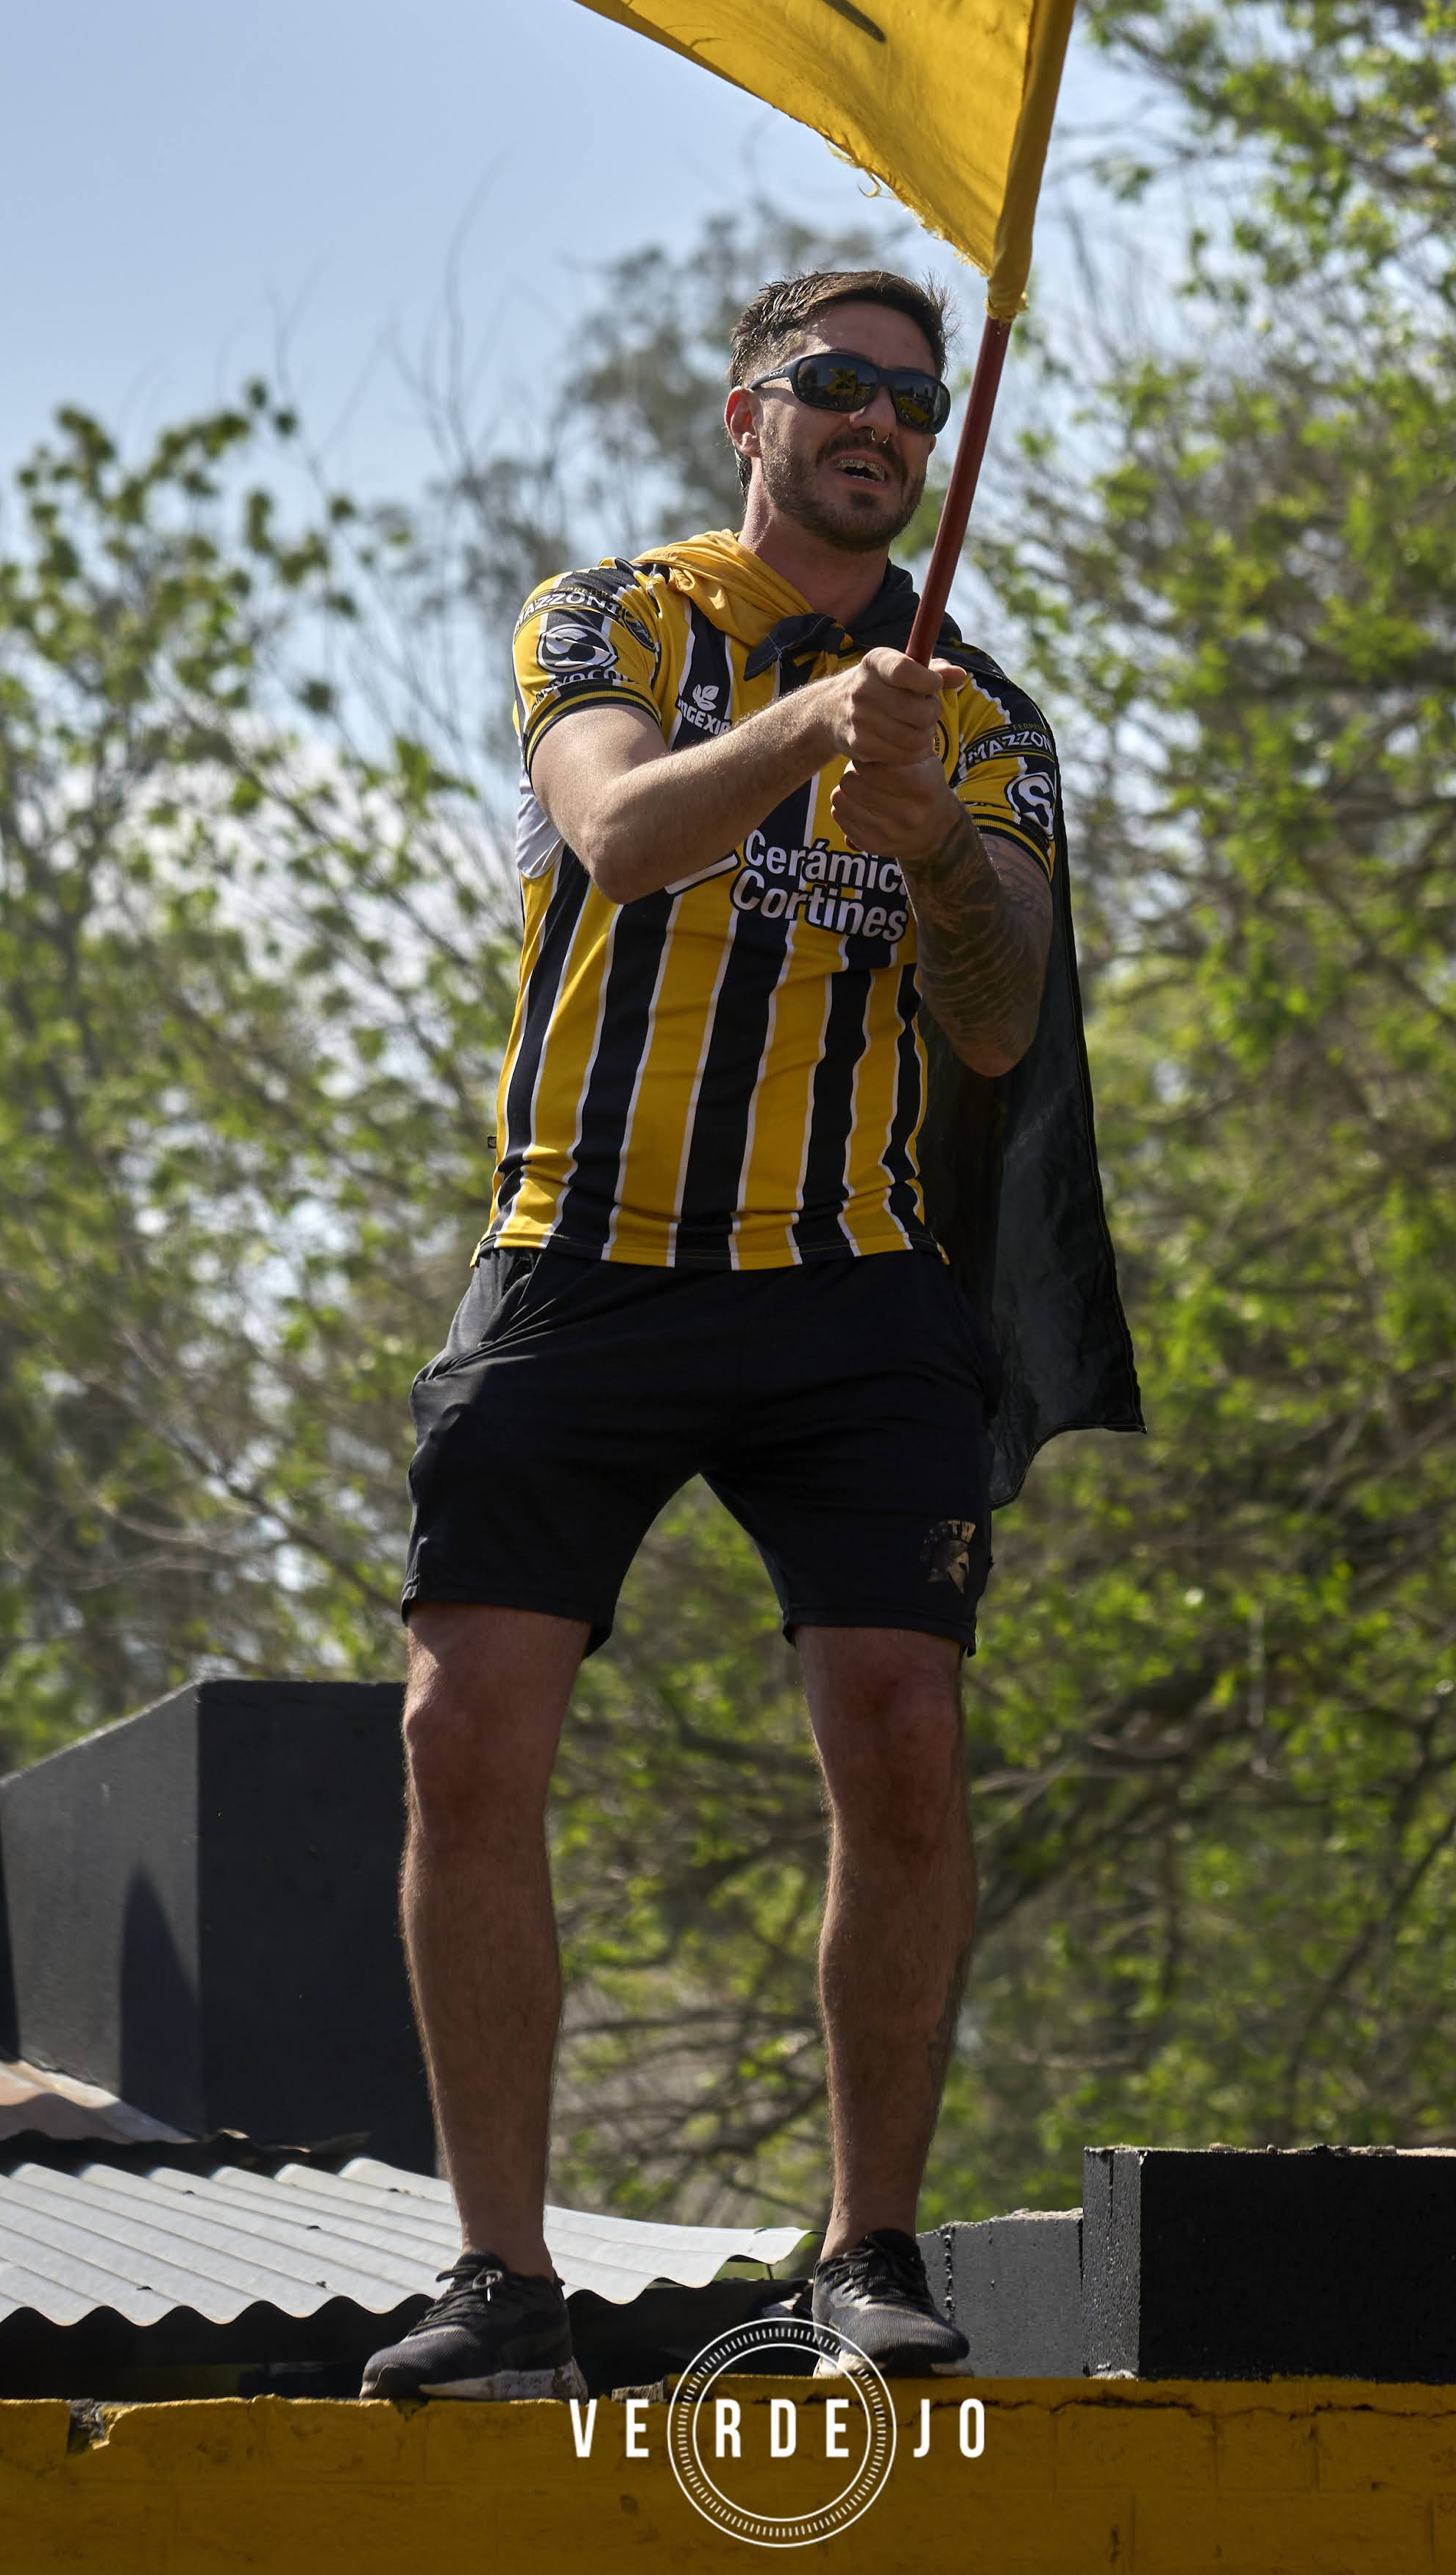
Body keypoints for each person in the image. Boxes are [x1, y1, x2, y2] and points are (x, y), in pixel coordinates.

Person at [361, 266, 1067, 2400]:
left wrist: (934, 829)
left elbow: (1001, 1011)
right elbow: (615, 824)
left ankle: (866, 2258)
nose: (875, 422)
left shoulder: (980, 713)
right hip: (579, 1258)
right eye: (835, 385)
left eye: (910, 403)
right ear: (745, 407)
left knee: (902, 1739)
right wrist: (798, 731)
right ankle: (504, 2283)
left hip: (843, 1286)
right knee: (455, 1737)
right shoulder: (617, 619)